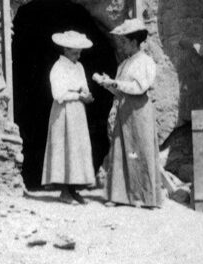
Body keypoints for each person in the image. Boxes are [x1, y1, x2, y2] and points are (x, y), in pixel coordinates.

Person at [94, 18, 162, 208]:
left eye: (124, 41)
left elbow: (139, 88)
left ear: (133, 42)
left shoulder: (146, 62)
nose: (121, 45)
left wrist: (116, 84)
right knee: (121, 151)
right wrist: (108, 84)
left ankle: (145, 197)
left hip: (139, 112)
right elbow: (120, 90)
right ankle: (120, 196)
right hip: (124, 110)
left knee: (140, 151)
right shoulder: (124, 64)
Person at [42, 30, 96, 204]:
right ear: (65, 49)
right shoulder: (58, 68)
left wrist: (86, 94)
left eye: (80, 51)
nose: (78, 55)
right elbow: (58, 94)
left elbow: (84, 85)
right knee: (64, 148)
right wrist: (79, 96)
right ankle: (64, 190)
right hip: (63, 111)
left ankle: (74, 189)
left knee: (77, 149)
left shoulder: (78, 66)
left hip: (78, 112)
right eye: (75, 51)